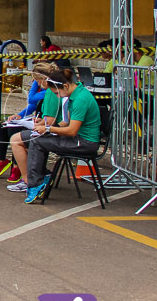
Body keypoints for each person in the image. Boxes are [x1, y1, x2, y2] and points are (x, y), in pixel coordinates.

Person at [17, 67, 101, 204]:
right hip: (77, 138)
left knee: (38, 142)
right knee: (38, 139)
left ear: (66, 86)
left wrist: (49, 129)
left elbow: (72, 130)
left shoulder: (80, 99)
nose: (57, 96)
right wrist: (45, 127)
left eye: (57, 92)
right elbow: (65, 123)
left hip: (84, 142)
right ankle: (40, 177)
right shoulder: (75, 94)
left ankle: (36, 183)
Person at [0, 63, 53, 181]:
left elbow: (31, 99)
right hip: (39, 121)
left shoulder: (50, 91)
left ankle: (17, 166)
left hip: (45, 126)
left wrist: (35, 82)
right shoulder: (46, 90)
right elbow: (33, 105)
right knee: (4, 125)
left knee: (14, 131)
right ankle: (1, 160)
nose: (35, 83)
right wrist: (19, 115)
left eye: (36, 80)